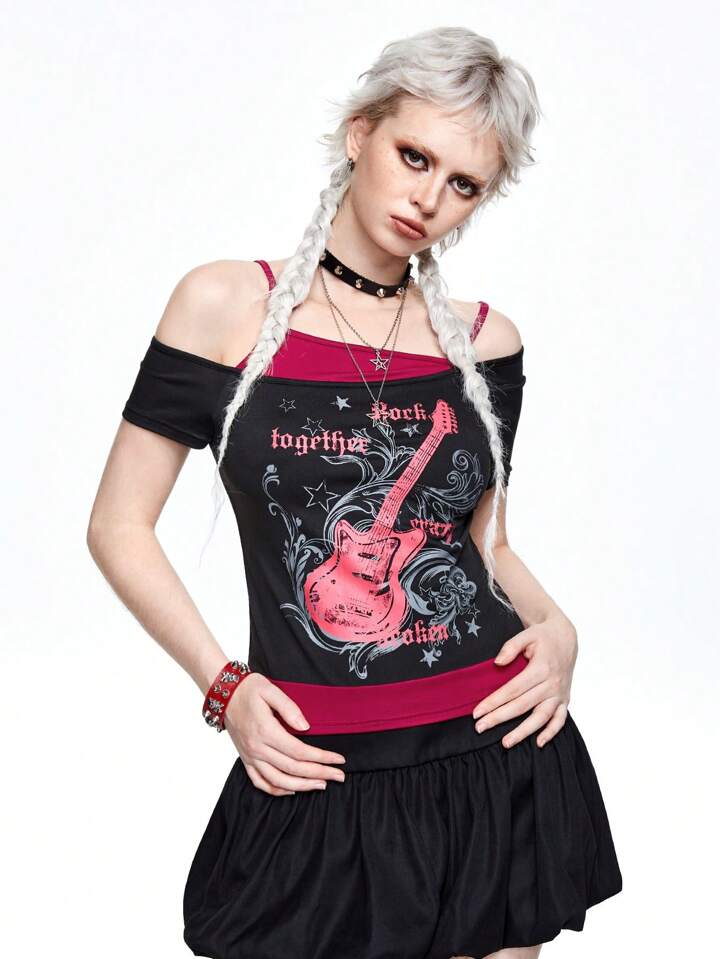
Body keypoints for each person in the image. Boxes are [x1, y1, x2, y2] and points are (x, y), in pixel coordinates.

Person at [87, 26, 622, 959]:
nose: (428, 197)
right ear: (360, 132)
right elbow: (117, 526)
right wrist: (225, 687)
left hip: (491, 751)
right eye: (415, 155)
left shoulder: (485, 344)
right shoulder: (224, 307)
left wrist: (560, 629)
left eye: (465, 183)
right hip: (314, 760)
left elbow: (483, 542)